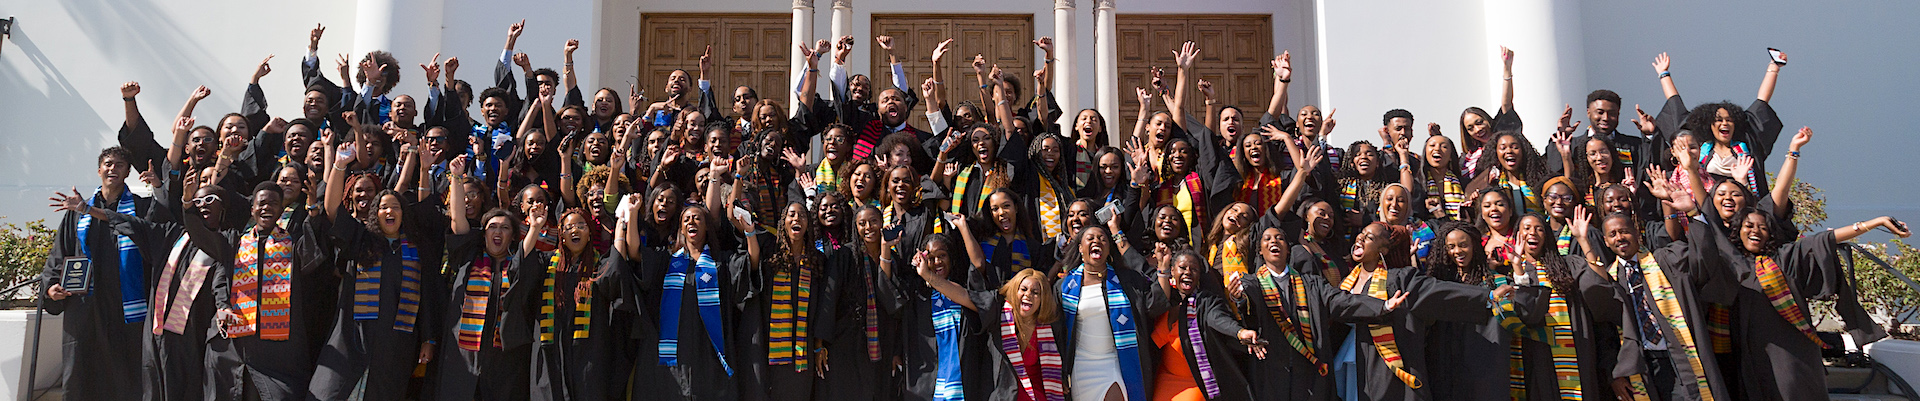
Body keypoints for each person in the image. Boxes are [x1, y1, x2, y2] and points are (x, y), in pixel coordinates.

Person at [1332, 222, 1496, 401]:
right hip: (1351, 360)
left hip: (1384, 367)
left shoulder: (1399, 280)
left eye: (1370, 237)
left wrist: (1487, 296)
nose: (1361, 238)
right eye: (1362, 233)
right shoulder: (1347, 281)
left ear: (1384, 250)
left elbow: (1437, 292)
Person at [38, 147, 153, 401]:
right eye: (108, 164)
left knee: (127, 374)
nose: (113, 169)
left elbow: (152, 243)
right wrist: (51, 287)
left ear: (128, 172)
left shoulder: (142, 208)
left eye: (120, 165)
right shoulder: (77, 212)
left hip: (126, 305)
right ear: (99, 170)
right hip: (85, 305)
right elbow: (59, 254)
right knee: (83, 373)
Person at [1055, 225, 1170, 401]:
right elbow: (1058, 332)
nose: (1097, 241)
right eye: (1090, 238)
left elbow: (1156, 303)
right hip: (1081, 366)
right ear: (1080, 248)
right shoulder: (1065, 287)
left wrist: (1163, 268)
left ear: (1109, 249)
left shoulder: (1126, 281)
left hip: (1116, 362)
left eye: (1102, 239)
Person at [1148, 249, 1258, 401]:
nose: (1188, 272)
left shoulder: (1205, 302)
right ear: (1172, 270)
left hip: (1195, 382)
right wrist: (1162, 265)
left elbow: (1218, 318)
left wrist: (1239, 332)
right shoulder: (1164, 300)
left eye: (1194, 269)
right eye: (1183, 268)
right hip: (1164, 377)